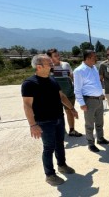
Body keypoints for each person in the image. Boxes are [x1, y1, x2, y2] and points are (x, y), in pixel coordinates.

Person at [22, 54, 78, 186]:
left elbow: (61, 96)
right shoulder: (29, 83)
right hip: (44, 121)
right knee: (49, 148)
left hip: (58, 117)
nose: (52, 65)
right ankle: (50, 175)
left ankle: (62, 165)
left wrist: (71, 108)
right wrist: (32, 125)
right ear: (39, 66)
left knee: (60, 144)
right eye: (49, 64)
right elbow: (27, 105)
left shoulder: (52, 80)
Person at [73, 50, 109, 153]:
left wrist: (101, 93)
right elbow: (77, 90)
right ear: (88, 58)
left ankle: (100, 139)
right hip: (89, 101)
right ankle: (91, 143)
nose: (96, 59)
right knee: (89, 124)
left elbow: (97, 82)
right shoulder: (79, 71)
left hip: (99, 99)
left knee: (100, 122)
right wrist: (82, 104)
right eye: (94, 57)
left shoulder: (94, 67)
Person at [46, 48, 82, 137]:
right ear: (50, 58)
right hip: (54, 96)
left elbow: (72, 77)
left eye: (58, 55)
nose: (58, 57)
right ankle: (60, 130)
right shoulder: (48, 68)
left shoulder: (66, 65)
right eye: (55, 56)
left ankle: (72, 130)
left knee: (69, 111)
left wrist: (77, 89)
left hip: (69, 94)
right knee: (57, 114)